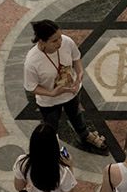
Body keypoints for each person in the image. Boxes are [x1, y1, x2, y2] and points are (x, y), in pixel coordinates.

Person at [23, 19, 107, 150]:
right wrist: (52, 93)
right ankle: (53, 146)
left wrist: (79, 73)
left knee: (76, 114)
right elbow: (31, 87)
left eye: (60, 37)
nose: (60, 42)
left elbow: (76, 59)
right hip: (49, 100)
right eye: (54, 41)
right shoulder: (32, 62)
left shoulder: (66, 42)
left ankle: (85, 134)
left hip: (71, 91)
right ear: (42, 41)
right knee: (51, 124)